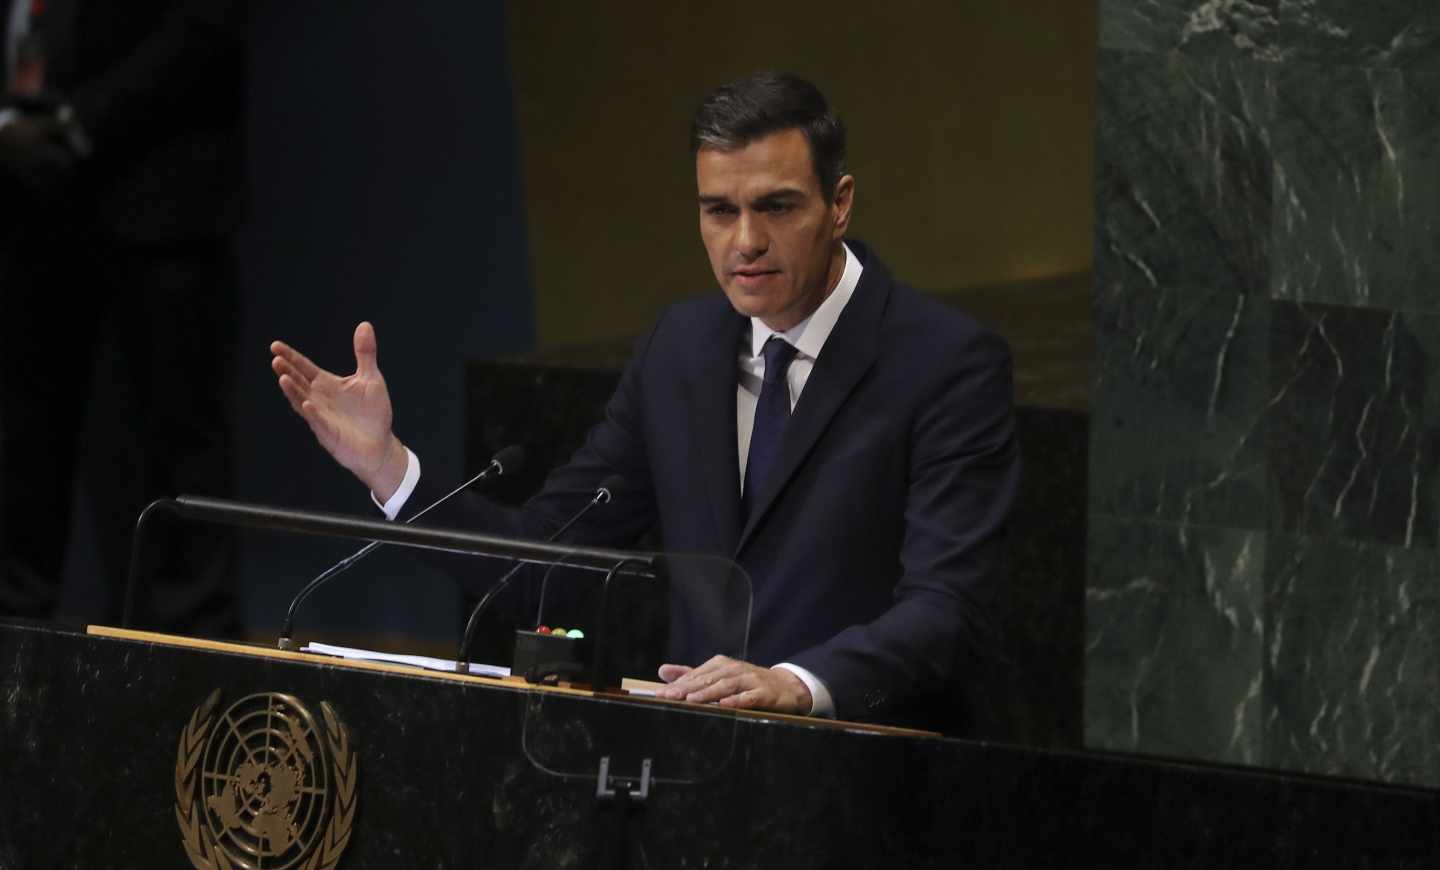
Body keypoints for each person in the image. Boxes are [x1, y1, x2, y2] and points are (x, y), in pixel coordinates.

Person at [270, 72, 1020, 732]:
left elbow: (946, 608)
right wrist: (390, 470)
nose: (746, 241)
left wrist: (798, 684)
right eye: (719, 211)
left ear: (841, 203)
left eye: (778, 207)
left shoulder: (943, 363)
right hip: (692, 787)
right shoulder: (682, 350)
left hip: (865, 788)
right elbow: (546, 565)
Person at [0, 0, 247, 635]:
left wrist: (77, 125)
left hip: (155, 197)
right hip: (24, 202)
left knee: (171, 451)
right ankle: (16, 664)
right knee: (22, 451)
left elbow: (207, 27)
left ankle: (187, 679)